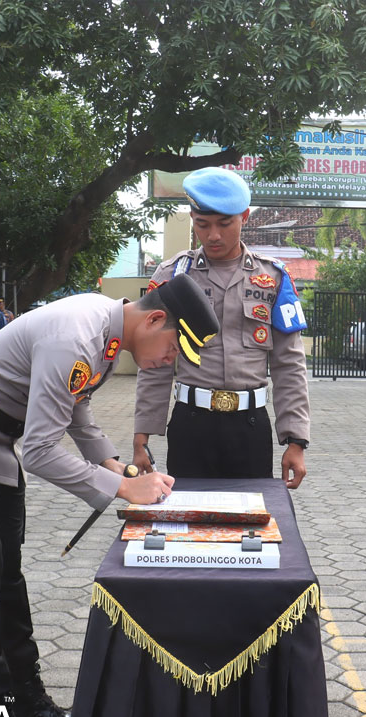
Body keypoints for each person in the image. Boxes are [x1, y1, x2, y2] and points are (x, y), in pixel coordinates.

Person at [0, 273, 219, 717]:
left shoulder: (106, 328)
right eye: (173, 349)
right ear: (155, 319)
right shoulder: (76, 338)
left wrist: (123, 471)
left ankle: (29, 706)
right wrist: (122, 490)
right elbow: (39, 450)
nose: (171, 361)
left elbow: (77, 408)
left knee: (7, 583)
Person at [133, 167, 310, 487]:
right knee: (188, 526)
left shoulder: (274, 278)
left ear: (244, 216)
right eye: (203, 224)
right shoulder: (173, 277)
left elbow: (289, 364)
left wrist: (296, 440)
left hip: (250, 427)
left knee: (248, 528)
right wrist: (141, 435)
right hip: (191, 425)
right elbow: (154, 363)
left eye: (224, 224)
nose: (213, 235)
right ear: (192, 219)